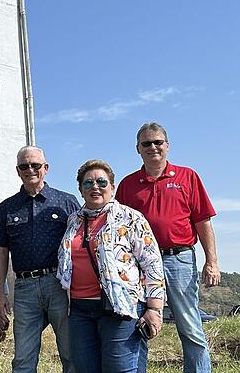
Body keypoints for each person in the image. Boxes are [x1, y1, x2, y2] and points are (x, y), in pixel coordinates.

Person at [116, 123, 220, 373]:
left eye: (158, 142)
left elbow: (202, 221)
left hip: (178, 259)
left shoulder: (188, 177)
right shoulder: (128, 185)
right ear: (137, 149)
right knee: (137, 324)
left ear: (167, 145)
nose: (153, 147)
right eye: (146, 144)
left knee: (189, 325)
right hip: (139, 264)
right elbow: (117, 229)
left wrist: (212, 262)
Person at [57, 159, 165, 373]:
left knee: (120, 369)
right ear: (80, 190)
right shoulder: (73, 221)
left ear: (112, 187)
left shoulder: (131, 218)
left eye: (101, 182)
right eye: (88, 183)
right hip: (80, 310)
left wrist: (154, 308)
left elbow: (152, 263)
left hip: (121, 309)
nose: (95, 187)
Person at [0, 146, 79, 373]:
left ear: (45, 168)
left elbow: (79, 244)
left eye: (35, 165)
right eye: (24, 166)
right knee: (23, 358)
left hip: (59, 285)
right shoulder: (6, 207)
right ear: (17, 171)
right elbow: (0, 252)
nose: (30, 169)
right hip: (24, 288)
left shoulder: (66, 202)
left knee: (71, 353)